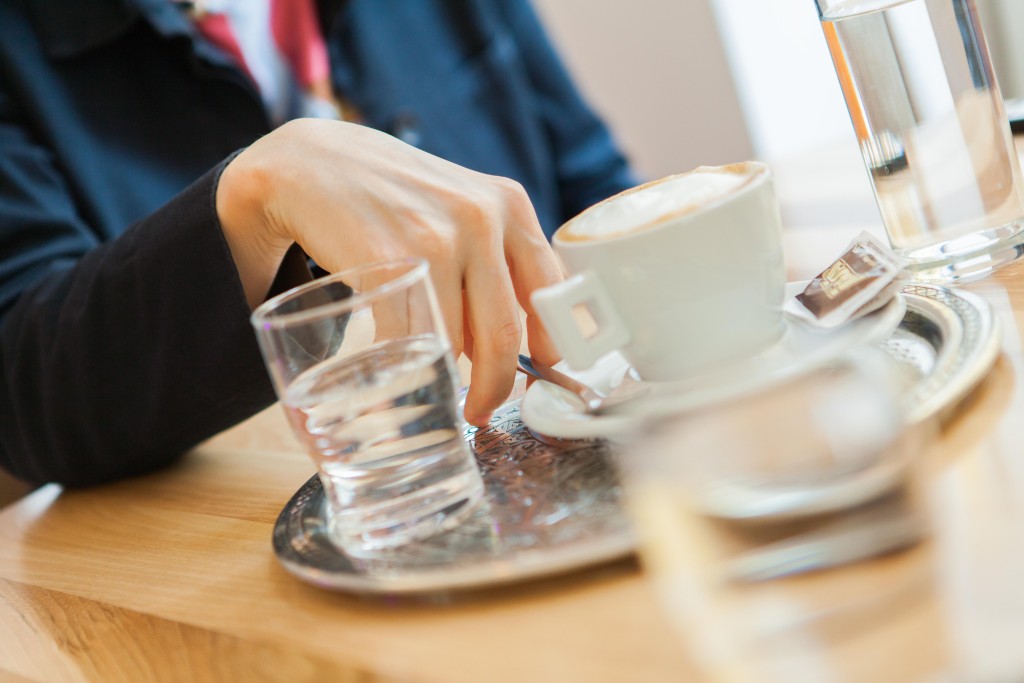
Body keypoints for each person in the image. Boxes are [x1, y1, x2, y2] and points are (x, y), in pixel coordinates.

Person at [0, 0, 637, 487]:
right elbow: (23, 392)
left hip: (582, 455)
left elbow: (592, 184)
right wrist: (256, 194)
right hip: (322, 519)